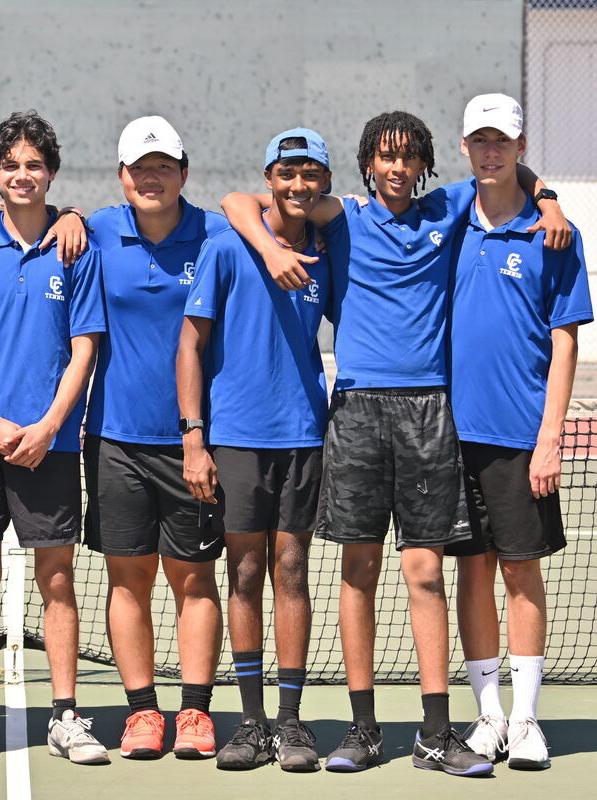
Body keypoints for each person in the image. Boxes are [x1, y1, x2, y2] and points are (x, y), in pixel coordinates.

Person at [221, 109, 569, 776]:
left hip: (430, 410)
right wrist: (268, 248)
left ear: (427, 164)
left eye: (409, 156)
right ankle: (364, 729)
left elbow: (508, 170)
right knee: (358, 570)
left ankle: (435, 734)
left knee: (427, 571)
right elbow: (240, 200)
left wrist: (548, 196)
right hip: (354, 411)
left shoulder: (452, 205)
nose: (397, 167)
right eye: (385, 157)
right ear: (367, 165)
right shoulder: (338, 216)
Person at [0, 110, 109, 765]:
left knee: (57, 577)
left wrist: (47, 426)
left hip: (52, 444)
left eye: (35, 165)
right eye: (11, 166)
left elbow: (84, 347)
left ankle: (66, 715)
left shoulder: (77, 247)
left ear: (52, 174)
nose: (23, 176)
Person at [179, 128, 338, 772]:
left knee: (292, 571)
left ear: (322, 182)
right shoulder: (226, 248)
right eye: (286, 173)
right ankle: (249, 723)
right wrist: (195, 435)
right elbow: (190, 345)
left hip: (304, 435)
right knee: (244, 573)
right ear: (268, 178)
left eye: (309, 174)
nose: (298, 184)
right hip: (235, 438)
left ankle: (292, 723)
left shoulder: (331, 249)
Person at [446, 93, 592, 771]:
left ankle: (528, 717)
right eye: (480, 140)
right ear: (466, 146)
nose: (490, 150)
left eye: (501, 140)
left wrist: (549, 437)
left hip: (519, 436)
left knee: (520, 572)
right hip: (449, 437)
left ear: (520, 144)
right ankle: (488, 715)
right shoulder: (447, 217)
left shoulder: (553, 233)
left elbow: (565, 343)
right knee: (471, 573)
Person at [84, 116, 225, 761]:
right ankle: (143, 711)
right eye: (141, 167)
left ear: (183, 172)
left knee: (194, 579)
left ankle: (194, 711)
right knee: (127, 580)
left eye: (164, 165)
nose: (152, 176)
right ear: (121, 176)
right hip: (114, 440)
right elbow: (22, 209)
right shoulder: (91, 234)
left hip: (195, 444)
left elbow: (260, 213)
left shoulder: (219, 235)